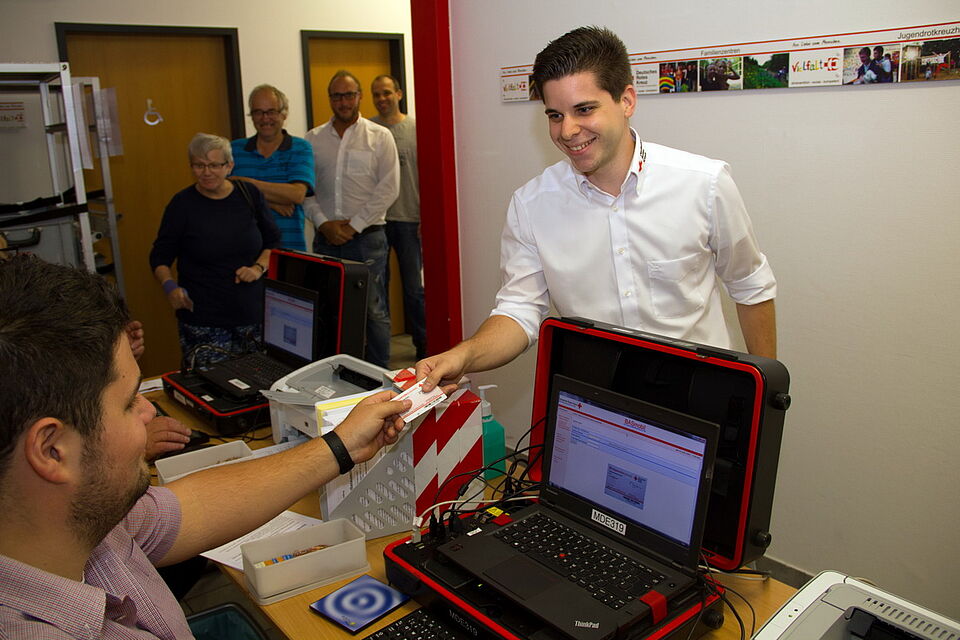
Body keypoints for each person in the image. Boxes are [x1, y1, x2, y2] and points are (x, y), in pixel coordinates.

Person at [0, 255, 410, 637]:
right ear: (53, 450)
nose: (148, 410)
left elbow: (191, 508)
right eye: (128, 403)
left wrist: (341, 446)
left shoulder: (79, 520)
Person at [417, 26, 777, 392]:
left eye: (584, 109)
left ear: (627, 101)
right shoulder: (532, 204)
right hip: (594, 402)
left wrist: (765, 398)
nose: (567, 131)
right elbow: (518, 310)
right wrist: (463, 355)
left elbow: (751, 286)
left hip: (697, 395)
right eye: (555, 115)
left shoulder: (704, 183)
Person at [149, 133, 281, 368]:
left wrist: (257, 268)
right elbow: (160, 256)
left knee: (257, 380)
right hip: (203, 319)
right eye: (199, 165)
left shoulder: (249, 195)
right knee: (209, 384)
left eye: (214, 165)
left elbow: (273, 241)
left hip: (251, 315)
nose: (206, 172)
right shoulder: (182, 204)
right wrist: (170, 287)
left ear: (229, 166)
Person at [304, 70, 400, 369]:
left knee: (374, 312)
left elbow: (389, 187)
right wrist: (323, 223)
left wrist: (353, 226)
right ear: (329, 99)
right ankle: (333, 374)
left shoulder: (379, 136)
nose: (343, 102)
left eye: (349, 95)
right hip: (325, 238)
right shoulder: (312, 139)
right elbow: (306, 190)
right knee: (328, 310)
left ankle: (380, 378)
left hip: (368, 238)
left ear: (359, 96)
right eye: (337, 96)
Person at [370, 74, 428, 360]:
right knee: (377, 290)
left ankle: (424, 347)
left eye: (386, 93)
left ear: (399, 94)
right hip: (375, 222)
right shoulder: (368, 130)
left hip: (409, 220)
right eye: (376, 94)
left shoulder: (415, 129)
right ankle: (380, 351)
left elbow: (427, 176)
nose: (382, 99)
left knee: (414, 290)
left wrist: (426, 217)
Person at [230, 84, 316, 251]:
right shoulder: (234, 150)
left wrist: (244, 183)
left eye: (271, 112)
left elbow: (297, 194)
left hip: (288, 252)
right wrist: (271, 203)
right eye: (258, 112)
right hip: (244, 252)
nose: (265, 118)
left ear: (284, 114)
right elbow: (225, 194)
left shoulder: (301, 148)